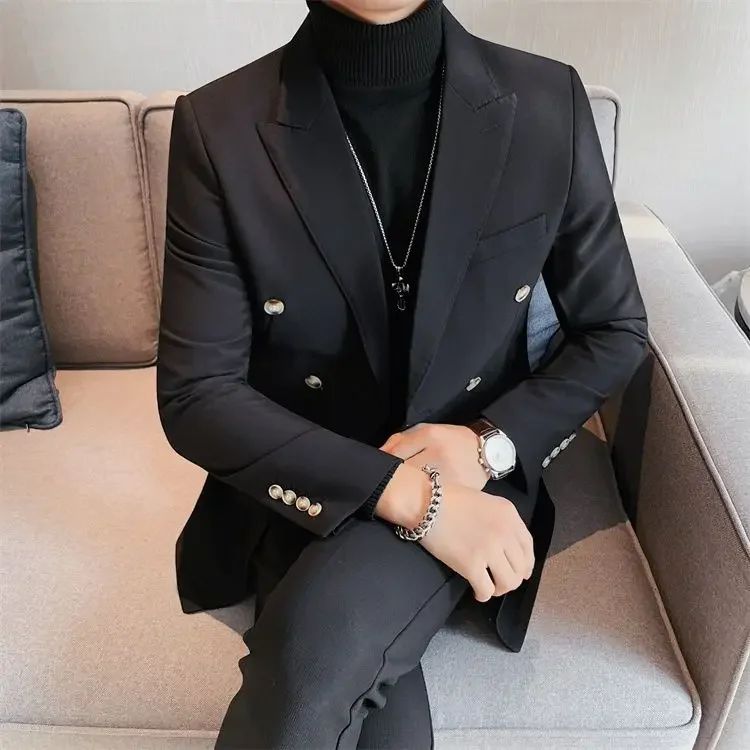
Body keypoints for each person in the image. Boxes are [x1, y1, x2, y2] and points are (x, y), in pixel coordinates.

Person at [156, 0, 649, 747]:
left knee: (308, 665)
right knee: (327, 682)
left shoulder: (547, 102)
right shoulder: (220, 125)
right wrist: (414, 497)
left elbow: (615, 331)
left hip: (472, 465)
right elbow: (197, 394)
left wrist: (487, 445)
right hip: (306, 471)